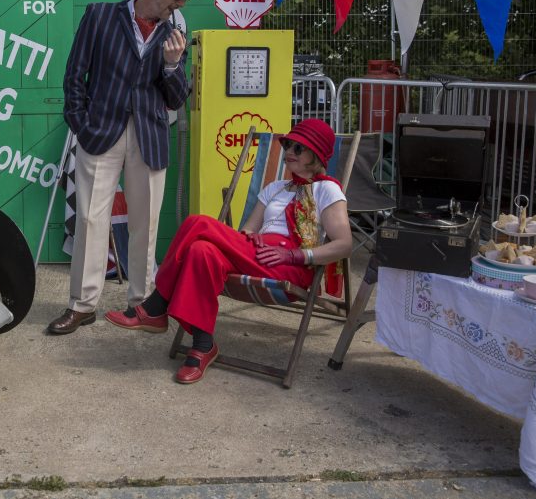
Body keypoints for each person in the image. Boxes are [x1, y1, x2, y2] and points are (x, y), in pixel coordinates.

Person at [104, 119, 353, 383]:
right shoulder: (275, 188)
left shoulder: (327, 190)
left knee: (196, 223)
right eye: (288, 145)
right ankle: (202, 345)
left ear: (315, 155)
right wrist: (250, 238)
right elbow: (246, 231)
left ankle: (156, 306)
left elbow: (344, 244)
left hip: (290, 265)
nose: (289, 151)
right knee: (201, 250)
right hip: (256, 253)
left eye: (299, 148)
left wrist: (294, 255)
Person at [47, 0, 197, 335]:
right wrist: (81, 124)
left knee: (145, 224)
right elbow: (74, 75)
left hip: (149, 136)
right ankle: (82, 305)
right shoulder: (99, 16)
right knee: (89, 219)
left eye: (182, 1)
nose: (178, 6)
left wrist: (171, 64)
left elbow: (177, 98)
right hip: (100, 132)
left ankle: (142, 304)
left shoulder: (174, 34)